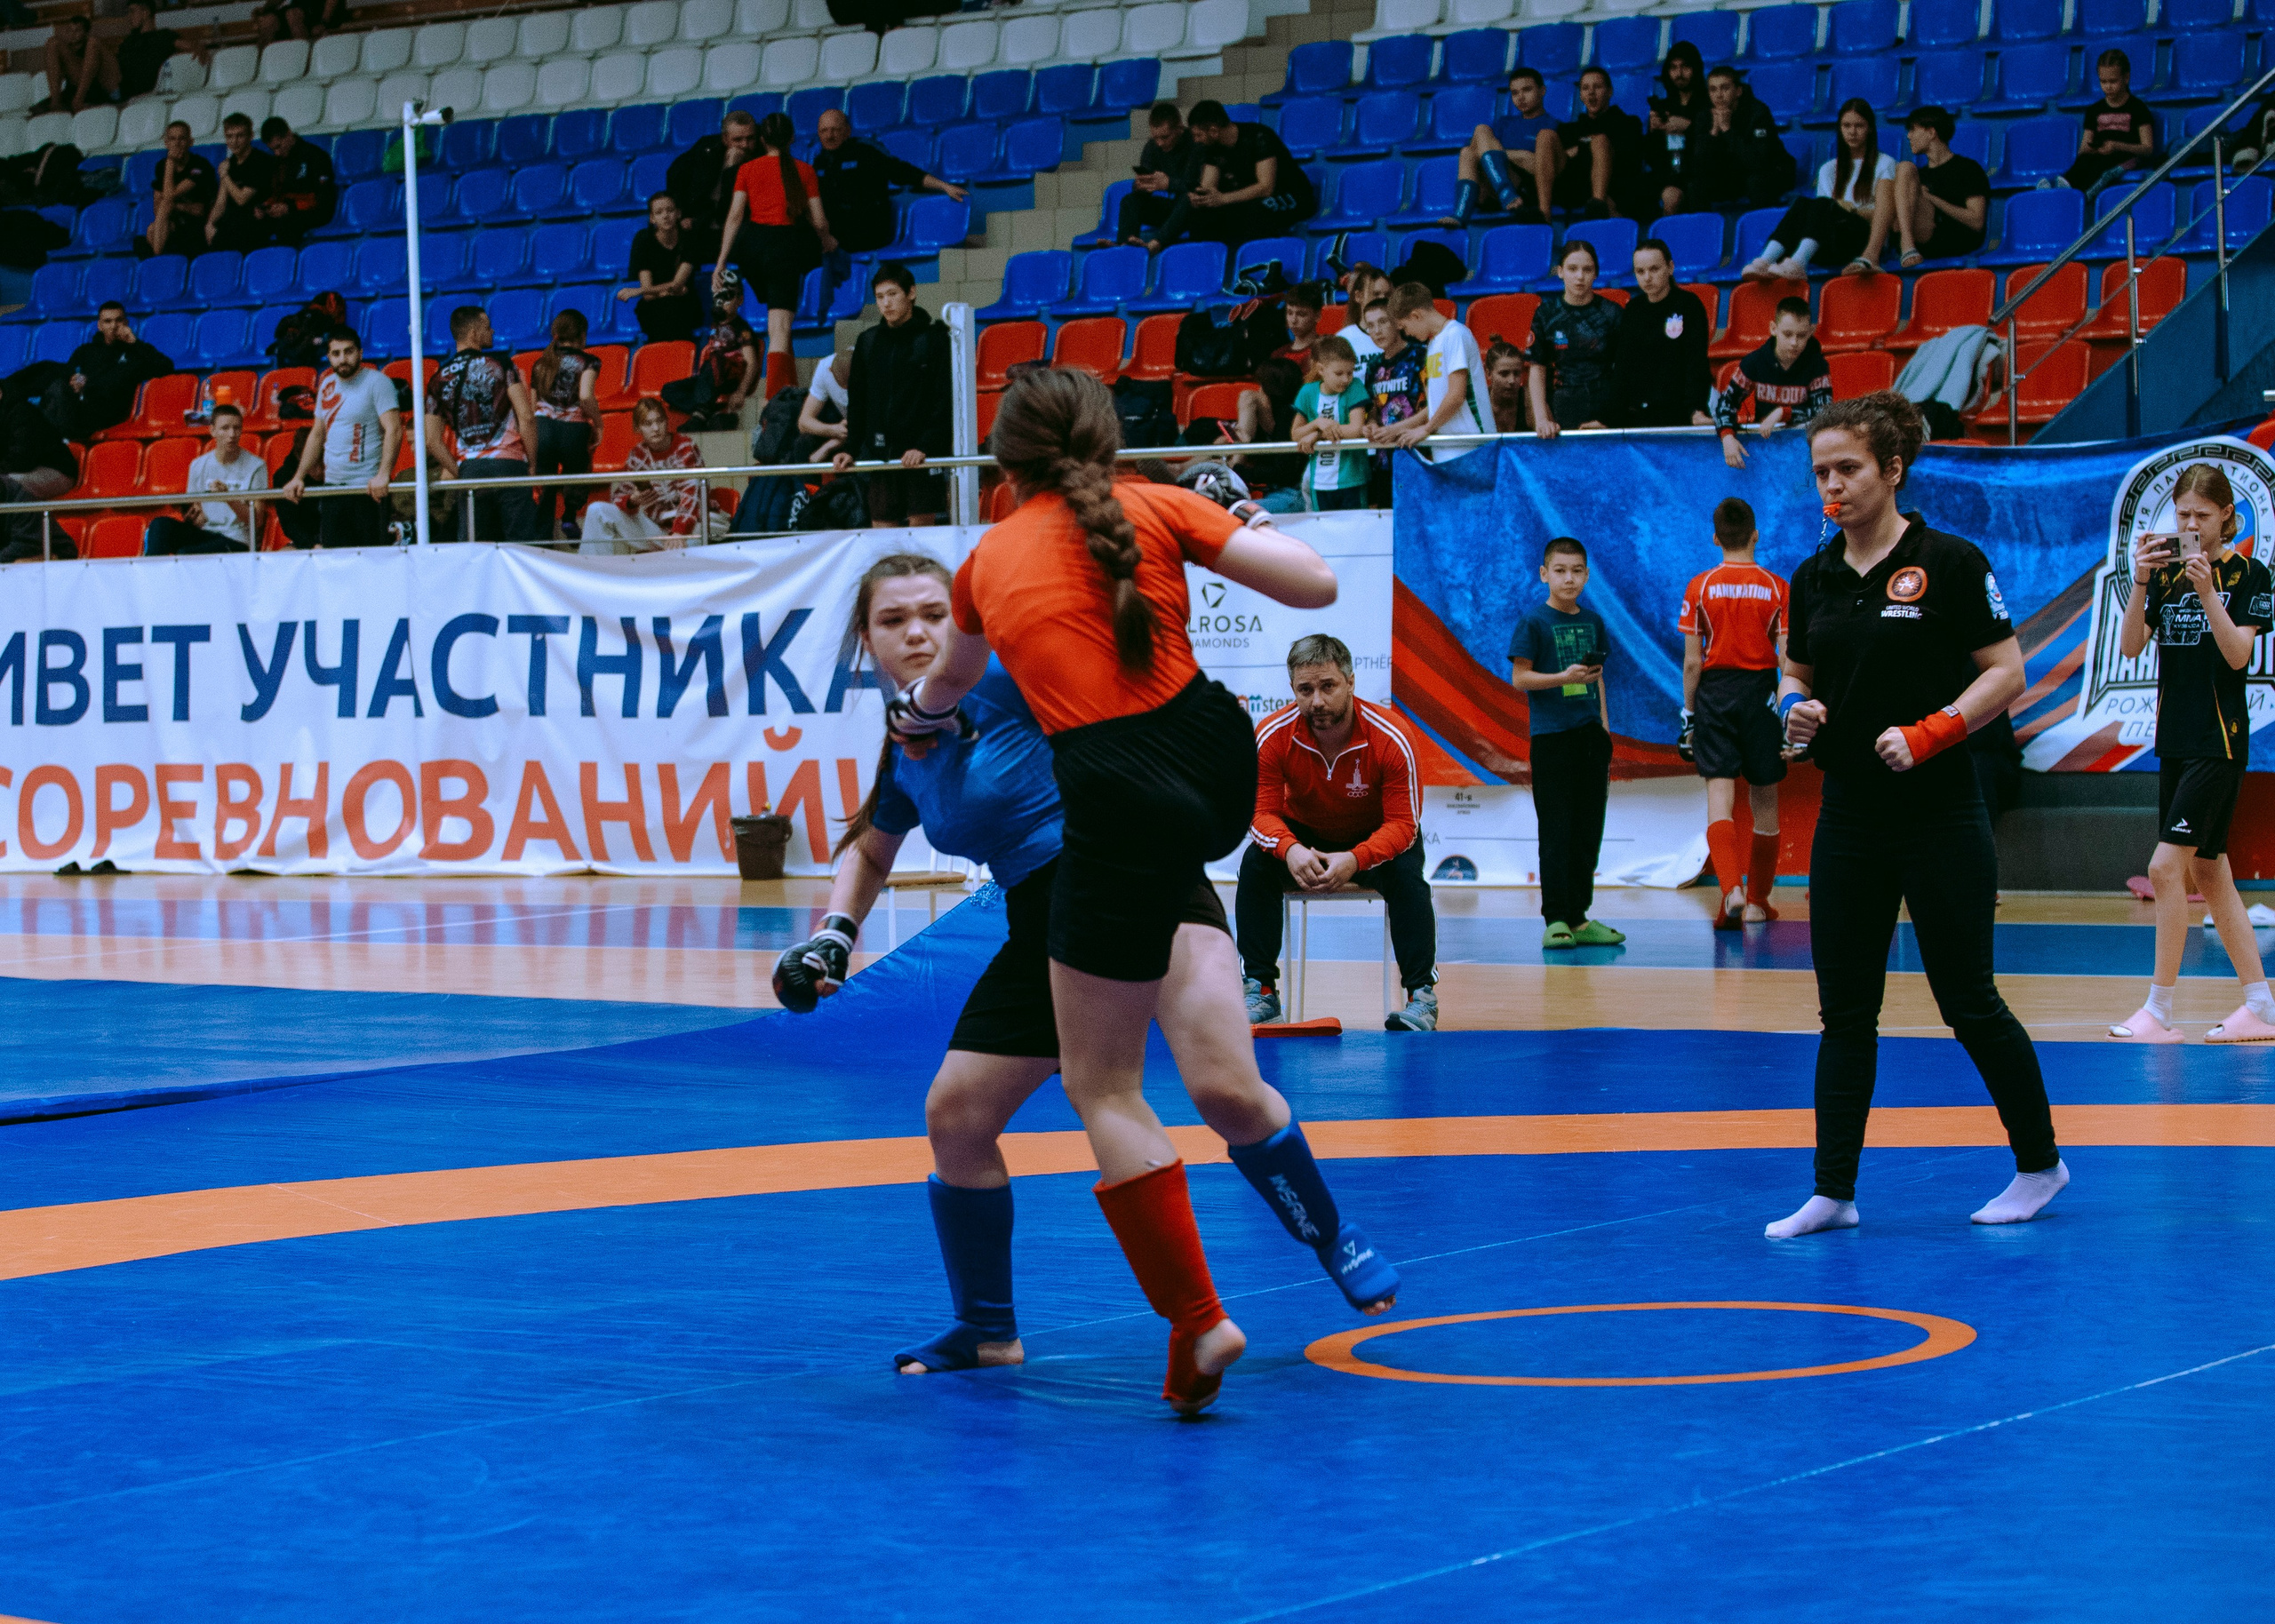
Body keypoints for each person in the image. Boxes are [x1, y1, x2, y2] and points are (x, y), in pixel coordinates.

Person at [776, 556, 1398, 1381]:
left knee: (1223, 1090)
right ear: (866, 639)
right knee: (958, 1115)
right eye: (894, 620)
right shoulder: (908, 750)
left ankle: (1329, 1237)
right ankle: (987, 1329)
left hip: (1135, 876)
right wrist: (833, 934)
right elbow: (873, 844)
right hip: (1043, 920)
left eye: (934, 614)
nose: (917, 633)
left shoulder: (1009, 680)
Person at [885, 367, 1345, 1413]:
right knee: (1157, 1064)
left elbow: (945, 686)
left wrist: (917, 716)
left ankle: (1198, 1318)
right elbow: (1315, 587)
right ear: (1105, 442)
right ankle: (1311, 1247)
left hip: (1118, 798)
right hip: (1213, 762)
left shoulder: (987, 561)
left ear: (1003, 464)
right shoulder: (1155, 504)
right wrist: (1241, 511)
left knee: (1103, 1085)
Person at [1771, 391, 2064, 1237]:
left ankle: (2040, 1165)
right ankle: (1833, 1192)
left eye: (1848, 469)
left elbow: (2007, 672)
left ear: (1893, 470)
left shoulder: (1951, 561)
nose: (1832, 486)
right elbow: (1796, 674)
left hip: (1940, 814)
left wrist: (1933, 732)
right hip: (1849, 817)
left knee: (1968, 1001)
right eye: (1820, 472)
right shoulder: (1813, 576)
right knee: (1844, 1013)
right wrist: (1792, 711)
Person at [2109, 465, 2275, 1044]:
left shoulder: (2249, 574)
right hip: (2176, 742)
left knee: (2163, 868)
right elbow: (2131, 646)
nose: (2191, 525)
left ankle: (2159, 1010)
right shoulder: (2165, 574)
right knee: (2210, 870)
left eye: (2203, 515)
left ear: (2227, 516)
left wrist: (2208, 592)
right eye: (2182, 514)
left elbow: (2237, 656)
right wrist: (2140, 581)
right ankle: (2261, 1005)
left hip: (2218, 742)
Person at [1239, 633, 1437, 1030]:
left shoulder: (1392, 736)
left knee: (1407, 875)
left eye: (1328, 686)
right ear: (1293, 688)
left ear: (1350, 682)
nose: (1317, 701)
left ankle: (1421, 997)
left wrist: (1356, 858)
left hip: (1372, 837)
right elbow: (1259, 813)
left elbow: (1403, 825)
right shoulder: (1272, 734)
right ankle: (1261, 990)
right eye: (1305, 690)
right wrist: (1290, 849)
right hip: (1305, 838)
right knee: (1256, 863)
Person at [1679, 498, 1788, 929]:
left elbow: (1692, 663)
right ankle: (1759, 902)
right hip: (1762, 695)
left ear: (1715, 538)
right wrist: (1786, 713)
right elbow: (1787, 660)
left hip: (1715, 696)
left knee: (1719, 800)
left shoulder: (1700, 586)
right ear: (1755, 535)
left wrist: (1689, 715)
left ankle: (1731, 891)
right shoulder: (1778, 587)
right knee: (1766, 803)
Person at [1510, 537, 1624, 950]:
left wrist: (1604, 728)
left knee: (1587, 830)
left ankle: (1579, 917)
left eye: (1577, 571)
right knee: (1556, 829)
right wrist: (1563, 678)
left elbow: (1598, 679)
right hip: (1552, 739)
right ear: (1545, 574)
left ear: (1587, 575)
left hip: (1590, 738)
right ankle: (1556, 917)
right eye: (1560, 571)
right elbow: (1520, 678)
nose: (1569, 578)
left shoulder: (1593, 621)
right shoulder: (1534, 622)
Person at [713, 110, 833, 403]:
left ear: (762, 140)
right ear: (792, 138)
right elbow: (819, 221)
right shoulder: (804, 170)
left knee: (781, 324)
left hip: (752, 249)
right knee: (779, 328)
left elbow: (734, 217)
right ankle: (774, 403)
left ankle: (789, 388)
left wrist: (721, 261)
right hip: (784, 249)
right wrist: (827, 240)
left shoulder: (746, 169)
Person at [833, 261, 952, 529]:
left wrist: (925, 446)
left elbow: (942, 400)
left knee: (921, 542)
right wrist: (851, 448)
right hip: (881, 456)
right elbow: (858, 402)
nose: (886, 303)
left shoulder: (934, 340)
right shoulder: (868, 341)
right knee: (883, 539)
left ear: (911, 293)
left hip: (920, 458)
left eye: (892, 294)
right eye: (879, 297)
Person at [1741, 100, 1895, 280]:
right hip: (1832, 241)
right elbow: (1820, 217)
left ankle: (1798, 263)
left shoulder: (1885, 163)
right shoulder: (1829, 169)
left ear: (1870, 129)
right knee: (1803, 203)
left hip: (1864, 241)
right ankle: (1765, 260)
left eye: (1859, 126)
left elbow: (1888, 214)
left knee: (1823, 204)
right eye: (1846, 126)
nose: (1852, 132)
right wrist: (1838, 208)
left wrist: (1852, 209)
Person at [427, 306, 539, 545]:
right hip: (509, 465)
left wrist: (461, 472)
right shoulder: (502, 364)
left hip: (471, 470)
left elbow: (431, 440)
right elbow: (527, 417)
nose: (493, 331)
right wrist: (532, 464)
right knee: (523, 547)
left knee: (474, 548)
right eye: (488, 327)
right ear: (473, 333)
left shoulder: (438, 378)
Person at [283, 327, 400, 549]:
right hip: (333, 489)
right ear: (328, 356)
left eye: (348, 351)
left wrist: (384, 474)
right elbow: (318, 433)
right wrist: (299, 476)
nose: (342, 359)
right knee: (335, 561)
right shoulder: (327, 385)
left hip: (367, 489)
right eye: (336, 353)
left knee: (373, 561)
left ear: (360, 353)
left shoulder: (378, 382)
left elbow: (394, 429)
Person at [1146, 100, 1316, 250]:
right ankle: (1211, 264)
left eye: (1198, 135)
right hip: (1249, 199)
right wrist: (1201, 198)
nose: (1196, 140)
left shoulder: (1259, 137)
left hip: (1292, 196)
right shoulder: (1212, 148)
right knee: (1201, 215)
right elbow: (1208, 187)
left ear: (1213, 131)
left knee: (1256, 212)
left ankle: (1263, 262)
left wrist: (1223, 198)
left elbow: (1266, 188)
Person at [812, 107, 966, 258]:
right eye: (824, 131)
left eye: (835, 130)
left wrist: (944, 186)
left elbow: (903, 172)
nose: (829, 136)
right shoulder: (819, 162)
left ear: (847, 131)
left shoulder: (866, 151)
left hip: (868, 229)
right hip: (837, 231)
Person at [1715, 296, 1832, 470]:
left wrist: (1784, 413)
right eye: (1787, 334)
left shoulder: (1817, 366)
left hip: (1804, 450)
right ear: (1773, 329)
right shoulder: (1754, 362)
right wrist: (1727, 436)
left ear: (1810, 332)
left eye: (1801, 335)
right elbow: (1726, 402)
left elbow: (1824, 414)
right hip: (1764, 449)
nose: (1794, 342)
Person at [579, 398, 710, 552]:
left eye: (659, 421)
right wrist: (632, 500)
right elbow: (618, 497)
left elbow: (692, 494)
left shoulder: (685, 446)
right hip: (656, 528)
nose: (656, 428)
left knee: (683, 546)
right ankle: (592, 566)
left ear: (666, 421)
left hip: (692, 527)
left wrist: (679, 532)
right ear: (638, 428)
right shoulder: (637, 455)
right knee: (596, 510)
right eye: (648, 424)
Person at [1377, 282, 1488, 462]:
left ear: (1415, 316)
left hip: (1472, 443)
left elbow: (1456, 396)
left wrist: (1427, 429)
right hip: (1448, 444)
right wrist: (1396, 429)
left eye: (1404, 327)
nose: (1407, 334)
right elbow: (1435, 405)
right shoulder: (1433, 344)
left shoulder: (1455, 335)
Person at [1610, 238, 1712, 428]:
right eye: (1640, 271)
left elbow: (1696, 362)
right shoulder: (1633, 309)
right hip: (1638, 413)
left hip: (1680, 412)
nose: (1647, 277)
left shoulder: (1689, 305)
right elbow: (1623, 367)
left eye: (1654, 269)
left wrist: (1696, 409)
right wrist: (1609, 417)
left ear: (1670, 267)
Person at [1526, 238, 1620, 437]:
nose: (1580, 276)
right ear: (1560, 271)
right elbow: (1537, 368)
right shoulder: (1546, 314)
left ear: (1596, 273)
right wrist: (1542, 419)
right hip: (1561, 413)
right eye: (1572, 269)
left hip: (1604, 412)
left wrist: (1608, 419)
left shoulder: (1612, 313)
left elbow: (1624, 370)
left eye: (1587, 269)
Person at [144, 401, 265, 555]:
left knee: (187, 554)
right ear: (212, 430)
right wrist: (191, 517)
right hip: (206, 533)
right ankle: (152, 570)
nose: (232, 434)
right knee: (160, 525)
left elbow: (257, 521)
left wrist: (229, 497)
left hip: (236, 539)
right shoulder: (198, 465)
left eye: (236, 428)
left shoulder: (256, 466)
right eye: (225, 428)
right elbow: (197, 513)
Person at [1442, 67, 1557, 227]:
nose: (1521, 97)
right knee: (1469, 148)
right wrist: (1520, 155)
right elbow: (1477, 150)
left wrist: (1502, 154)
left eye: (1527, 90)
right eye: (1515, 93)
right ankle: (1465, 212)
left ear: (1542, 91)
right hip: (1493, 190)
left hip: (1525, 191)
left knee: (1479, 137)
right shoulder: (1505, 123)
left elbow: (1540, 166)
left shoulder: (1552, 126)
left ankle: (1466, 212)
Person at [1674, 66, 1796, 214]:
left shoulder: (1758, 112)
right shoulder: (1705, 116)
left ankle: (1762, 226)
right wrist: (1713, 133)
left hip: (1773, 171)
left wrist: (1727, 130)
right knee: (1695, 186)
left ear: (1738, 91)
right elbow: (1698, 168)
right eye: (1713, 90)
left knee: (1756, 182)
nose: (1719, 95)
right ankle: (1704, 227)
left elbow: (1758, 163)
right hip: (1736, 174)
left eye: (1725, 88)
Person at [50, 301, 172, 440]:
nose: (114, 326)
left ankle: (60, 440)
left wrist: (135, 343)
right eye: (108, 321)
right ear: (100, 326)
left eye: (118, 320)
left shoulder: (136, 355)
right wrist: (73, 380)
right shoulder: (85, 351)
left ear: (126, 323)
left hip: (110, 414)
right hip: (80, 409)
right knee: (55, 386)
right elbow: (67, 373)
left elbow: (166, 367)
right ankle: (60, 440)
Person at [529, 310, 601, 541]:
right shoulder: (589, 361)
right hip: (573, 430)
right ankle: (569, 516)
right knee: (578, 473)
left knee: (544, 485)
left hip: (543, 428)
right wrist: (598, 424)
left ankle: (541, 540)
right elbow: (585, 396)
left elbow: (532, 405)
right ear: (582, 334)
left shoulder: (541, 362)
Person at [1543, 68, 1648, 221]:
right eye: (1585, 88)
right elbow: (1565, 165)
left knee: (1600, 142)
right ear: (1580, 95)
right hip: (1577, 188)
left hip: (1616, 187)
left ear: (1609, 92)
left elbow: (1627, 161)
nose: (1591, 92)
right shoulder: (1569, 130)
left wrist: (1581, 148)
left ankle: (1598, 207)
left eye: (1597, 87)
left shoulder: (1628, 123)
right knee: (1545, 136)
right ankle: (1543, 216)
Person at [1893, 106, 1989, 267]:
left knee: (1905, 168)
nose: (1909, 136)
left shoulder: (1968, 169)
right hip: (1920, 239)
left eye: (1913, 129)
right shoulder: (1919, 175)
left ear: (1931, 132)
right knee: (1888, 184)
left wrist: (1930, 198)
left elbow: (1977, 221)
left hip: (1956, 238)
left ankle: (1906, 245)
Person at [663, 268, 760, 428]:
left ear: (740, 300)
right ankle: (708, 414)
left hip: (730, 378)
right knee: (669, 390)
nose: (722, 301)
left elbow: (752, 363)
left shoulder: (742, 329)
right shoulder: (715, 326)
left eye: (728, 296)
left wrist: (741, 391)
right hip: (711, 377)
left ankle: (700, 416)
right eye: (718, 296)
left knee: (715, 360)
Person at [2051, 49, 2156, 196]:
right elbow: (2083, 149)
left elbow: (2148, 148)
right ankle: (2060, 188)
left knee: (2102, 166)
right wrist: (2095, 150)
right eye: (2103, 82)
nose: (2108, 87)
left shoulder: (2138, 108)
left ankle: (2080, 197)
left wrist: (2116, 146)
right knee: (2085, 161)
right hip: (2099, 155)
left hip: (2125, 156)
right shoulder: (2094, 110)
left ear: (2126, 78)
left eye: (2113, 81)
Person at [0, 376, 80, 562]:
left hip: (56, 470)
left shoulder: (22, 413)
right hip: (15, 470)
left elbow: (21, 459)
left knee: (9, 485)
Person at [665, 109, 757, 263]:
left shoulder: (762, 154)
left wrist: (731, 168)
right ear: (725, 139)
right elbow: (675, 173)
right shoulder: (706, 149)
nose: (745, 145)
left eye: (750, 138)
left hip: (741, 227)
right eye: (738, 140)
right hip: (705, 222)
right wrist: (683, 212)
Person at [1291, 335, 1371, 512]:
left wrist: (1316, 435)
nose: (1346, 379)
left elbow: (1356, 429)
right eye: (1339, 373)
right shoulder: (1307, 392)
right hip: (1319, 482)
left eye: (1350, 373)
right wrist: (1317, 423)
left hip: (1352, 478)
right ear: (1321, 369)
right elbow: (1296, 434)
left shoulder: (1355, 387)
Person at [616, 191, 703, 344]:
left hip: (685, 304)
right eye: (659, 212)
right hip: (655, 306)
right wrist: (667, 292)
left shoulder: (689, 239)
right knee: (661, 312)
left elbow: (678, 285)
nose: (665, 216)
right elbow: (651, 296)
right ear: (652, 218)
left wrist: (638, 291)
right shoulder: (643, 241)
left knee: (674, 310)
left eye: (670, 210)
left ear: (678, 213)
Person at [1361, 296, 1422, 506]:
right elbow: (1372, 409)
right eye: (1370, 325)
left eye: (1382, 322)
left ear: (1397, 322)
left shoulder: (1419, 355)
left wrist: (1395, 429)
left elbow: (1432, 407)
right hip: (1384, 459)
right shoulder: (1373, 365)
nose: (1377, 331)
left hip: (1418, 454)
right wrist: (1370, 424)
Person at [1121, 101, 1204, 245]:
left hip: (1195, 209)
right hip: (1173, 209)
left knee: (1188, 199)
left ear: (1179, 128)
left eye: (1165, 137)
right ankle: (1126, 245)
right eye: (1155, 138)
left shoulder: (1195, 142)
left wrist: (1169, 184)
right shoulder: (1152, 147)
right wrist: (1141, 186)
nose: (1159, 143)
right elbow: (1144, 192)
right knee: (1129, 201)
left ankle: (1155, 244)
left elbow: (1199, 187)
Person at [1645, 42, 1710, 219]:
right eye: (1673, 68)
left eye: (1685, 67)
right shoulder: (1663, 107)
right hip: (1669, 173)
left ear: (1695, 69)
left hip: (1700, 174)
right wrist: (1653, 132)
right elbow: (1651, 157)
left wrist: (1689, 128)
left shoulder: (1708, 103)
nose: (1679, 73)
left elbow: (1716, 145)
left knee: (1673, 196)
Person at [140, 120, 216, 259]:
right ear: (166, 143)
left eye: (182, 139)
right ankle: (159, 259)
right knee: (151, 229)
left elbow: (169, 196)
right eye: (172, 139)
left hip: (199, 223)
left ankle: (156, 257)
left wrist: (170, 162)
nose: (177, 144)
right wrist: (176, 208)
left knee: (166, 206)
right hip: (175, 220)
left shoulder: (200, 165)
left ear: (190, 142)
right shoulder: (161, 166)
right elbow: (158, 207)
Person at [205, 111, 276, 253]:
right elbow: (221, 202)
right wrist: (209, 224)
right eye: (230, 136)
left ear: (251, 136)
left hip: (256, 221)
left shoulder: (260, 161)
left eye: (240, 136)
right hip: (233, 223)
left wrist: (225, 176)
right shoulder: (229, 164)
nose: (234, 141)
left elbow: (242, 199)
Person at [257, 117, 335, 245]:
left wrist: (290, 208)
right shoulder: (277, 162)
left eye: (278, 146)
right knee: (251, 224)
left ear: (288, 134)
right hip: (288, 210)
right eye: (273, 150)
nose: (277, 153)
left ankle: (287, 258)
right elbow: (276, 193)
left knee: (286, 224)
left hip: (314, 211)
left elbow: (323, 198)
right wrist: (264, 207)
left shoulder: (315, 156)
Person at [117, 1, 208, 104]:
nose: (129, 17)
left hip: (146, 92)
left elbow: (190, 46)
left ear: (145, 12)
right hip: (122, 90)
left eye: (132, 11)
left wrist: (198, 47)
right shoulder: (128, 42)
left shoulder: (162, 36)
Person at [38, 15, 117, 115]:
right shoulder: (65, 49)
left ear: (85, 33)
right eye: (70, 30)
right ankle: (56, 101)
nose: (73, 34)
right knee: (52, 43)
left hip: (93, 89)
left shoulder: (92, 47)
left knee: (55, 43)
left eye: (77, 31)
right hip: (72, 90)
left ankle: (77, 100)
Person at [1277, 280, 1323, 374]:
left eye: (1301, 314)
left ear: (1317, 316)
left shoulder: (1326, 350)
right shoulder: (1279, 355)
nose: (1293, 320)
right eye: (1290, 313)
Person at [1483, 339, 1527, 433]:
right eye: (1504, 374)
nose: (1512, 380)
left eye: (1517, 373)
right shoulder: (1478, 403)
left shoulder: (1529, 400)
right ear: (1489, 373)